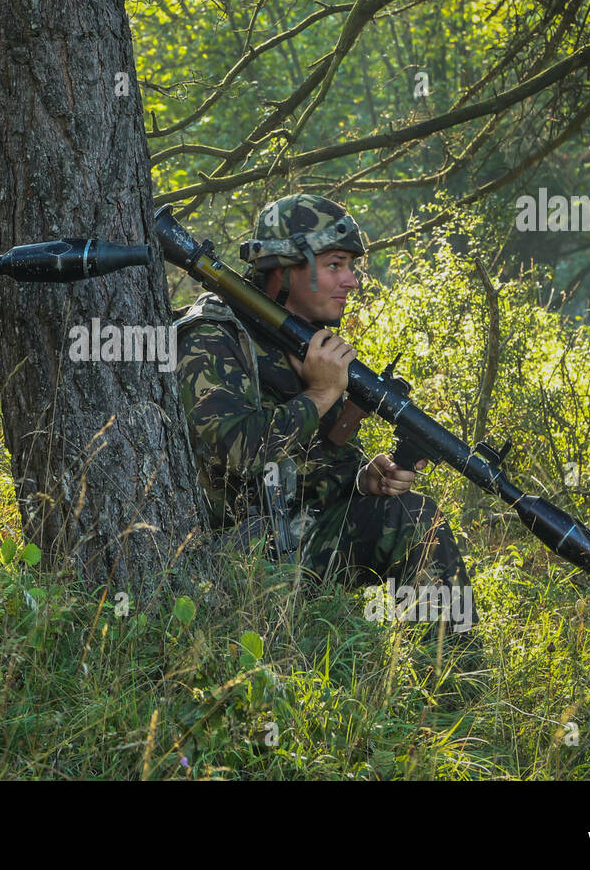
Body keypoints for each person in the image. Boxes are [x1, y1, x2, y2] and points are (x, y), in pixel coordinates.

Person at [175, 194, 478, 641]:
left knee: (413, 518)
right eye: (335, 265)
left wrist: (357, 478)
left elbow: (304, 461)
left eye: (350, 266)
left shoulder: (303, 342)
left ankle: (453, 684)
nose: (351, 281)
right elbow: (233, 459)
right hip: (234, 558)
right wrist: (318, 396)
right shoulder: (215, 337)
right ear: (284, 268)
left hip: (296, 534)